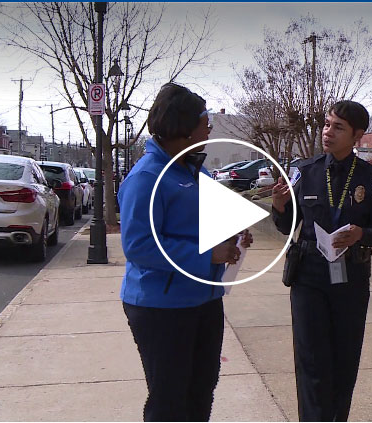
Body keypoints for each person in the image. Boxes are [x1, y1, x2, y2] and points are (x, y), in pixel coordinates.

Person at [118, 82, 252, 421]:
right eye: (204, 121)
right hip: (162, 306)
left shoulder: (196, 170)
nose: (209, 128)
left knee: (200, 391)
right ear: (184, 127)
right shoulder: (146, 178)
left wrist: (234, 234)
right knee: (169, 399)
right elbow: (138, 245)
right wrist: (208, 254)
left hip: (205, 299)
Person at [271, 100, 372, 421]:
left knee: (343, 360)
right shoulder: (305, 172)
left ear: (357, 135)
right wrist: (281, 206)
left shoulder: (371, 179)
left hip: (350, 277)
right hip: (308, 275)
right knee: (311, 361)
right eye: (327, 124)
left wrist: (360, 234)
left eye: (338, 127)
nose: (328, 132)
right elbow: (287, 228)